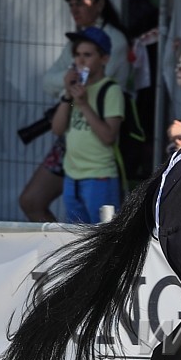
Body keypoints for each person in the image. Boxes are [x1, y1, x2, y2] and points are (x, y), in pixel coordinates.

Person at [18, 0, 129, 222]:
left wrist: (72, 88)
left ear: (99, 4)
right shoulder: (79, 41)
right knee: (58, 220)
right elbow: (49, 81)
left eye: (80, 3)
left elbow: (90, 82)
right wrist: (67, 91)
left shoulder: (114, 42)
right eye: (71, 5)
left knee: (99, 233)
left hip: (98, 158)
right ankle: (63, 259)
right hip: (73, 153)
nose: (74, 10)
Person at [49, 26, 125, 223]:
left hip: (99, 178)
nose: (80, 61)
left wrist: (83, 104)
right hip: (72, 177)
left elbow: (108, 136)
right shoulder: (76, 89)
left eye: (87, 55)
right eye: (77, 55)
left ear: (104, 59)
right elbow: (57, 129)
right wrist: (68, 94)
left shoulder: (110, 90)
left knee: (101, 239)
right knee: (76, 240)